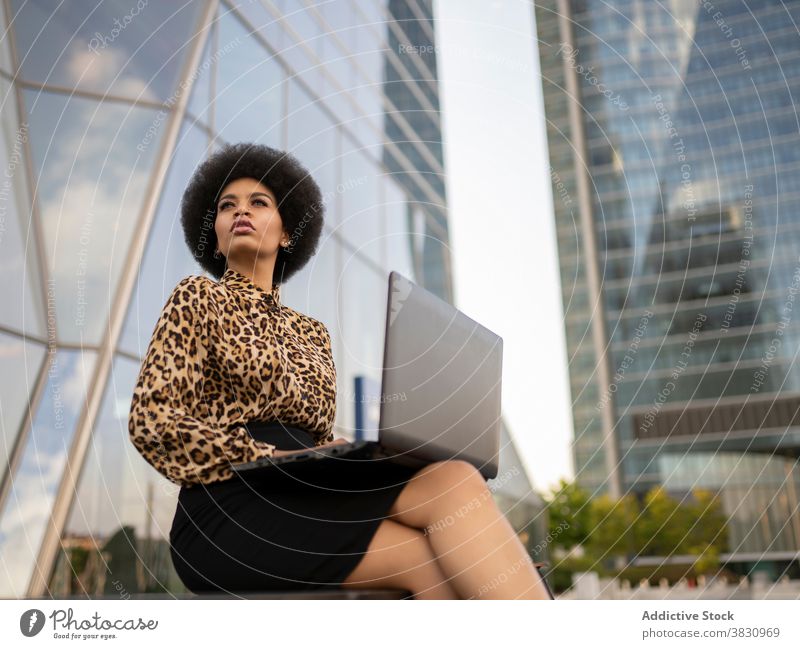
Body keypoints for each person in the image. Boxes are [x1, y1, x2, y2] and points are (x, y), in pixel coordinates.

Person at [127, 142, 552, 600]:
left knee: (455, 483)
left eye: (259, 203)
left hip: (309, 491)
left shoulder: (313, 333)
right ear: (215, 233)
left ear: (287, 233)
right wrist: (262, 455)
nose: (241, 212)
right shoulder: (197, 297)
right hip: (230, 505)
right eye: (227, 207)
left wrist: (337, 450)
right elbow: (151, 420)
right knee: (429, 557)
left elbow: (312, 437)